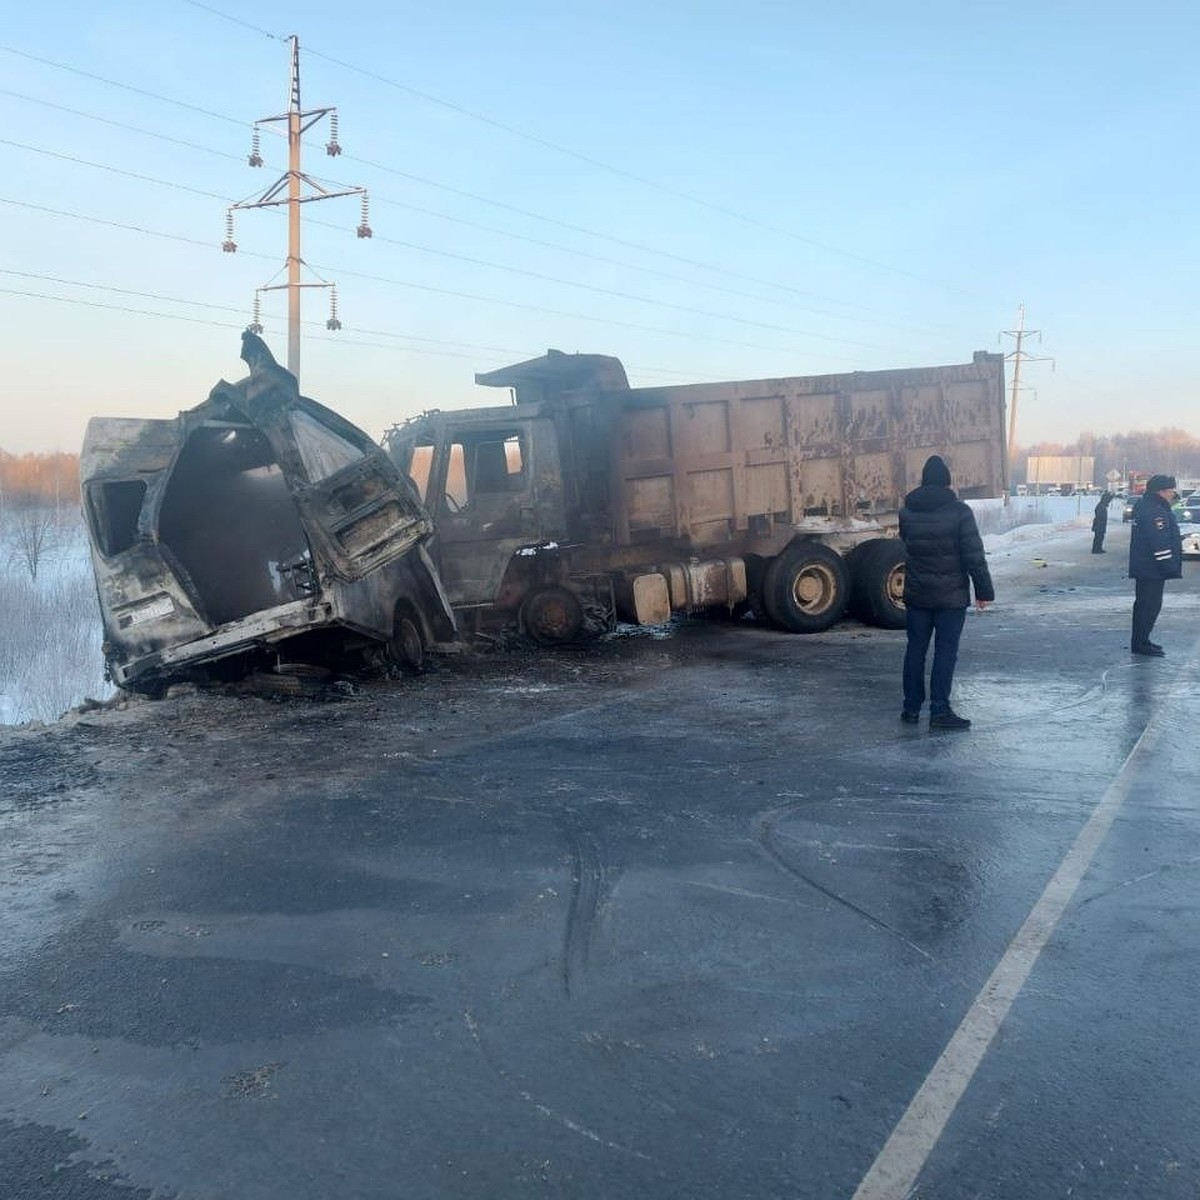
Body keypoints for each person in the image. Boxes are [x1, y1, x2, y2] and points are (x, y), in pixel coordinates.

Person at [898, 455, 995, 730]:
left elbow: (907, 543)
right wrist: (984, 590)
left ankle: (911, 707)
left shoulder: (907, 512)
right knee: (945, 651)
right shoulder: (960, 512)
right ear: (947, 482)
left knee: (915, 650)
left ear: (924, 480)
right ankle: (940, 710)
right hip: (950, 597)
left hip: (917, 594)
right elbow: (973, 555)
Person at [1128, 474, 1182, 656]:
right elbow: (1158, 541)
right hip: (1151, 569)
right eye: (1170, 491)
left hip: (1148, 568)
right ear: (1160, 491)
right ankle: (1141, 643)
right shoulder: (1155, 511)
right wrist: (1168, 565)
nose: (1172, 494)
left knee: (1146, 605)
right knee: (1148, 606)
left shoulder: (1150, 506)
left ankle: (1142, 640)